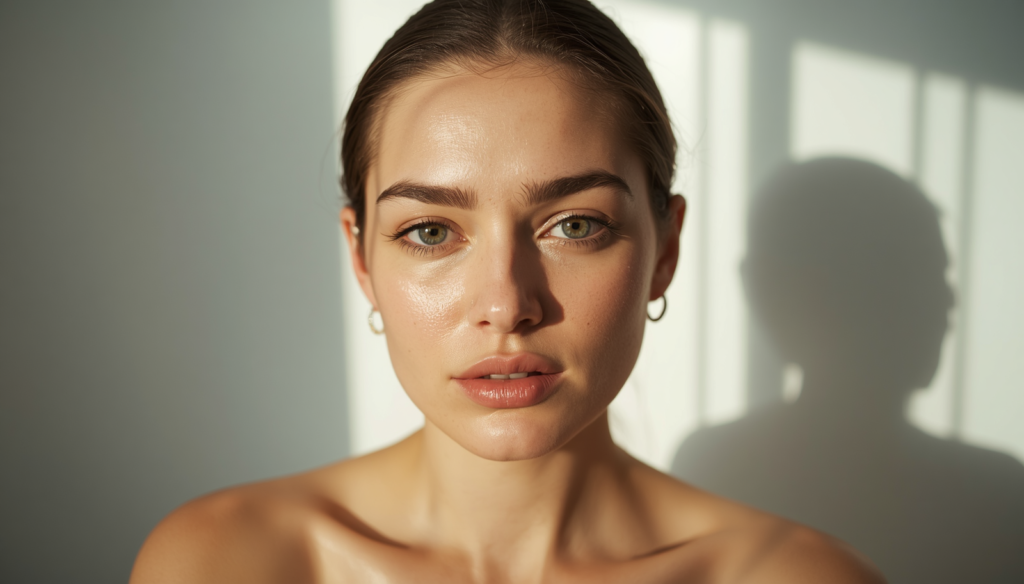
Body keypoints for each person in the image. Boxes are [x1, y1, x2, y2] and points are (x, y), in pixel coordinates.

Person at [129, 1, 885, 582]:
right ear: (361, 259)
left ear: (666, 249)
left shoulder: (794, 575)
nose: (507, 303)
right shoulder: (223, 560)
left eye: (575, 225)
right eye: (431, 232)